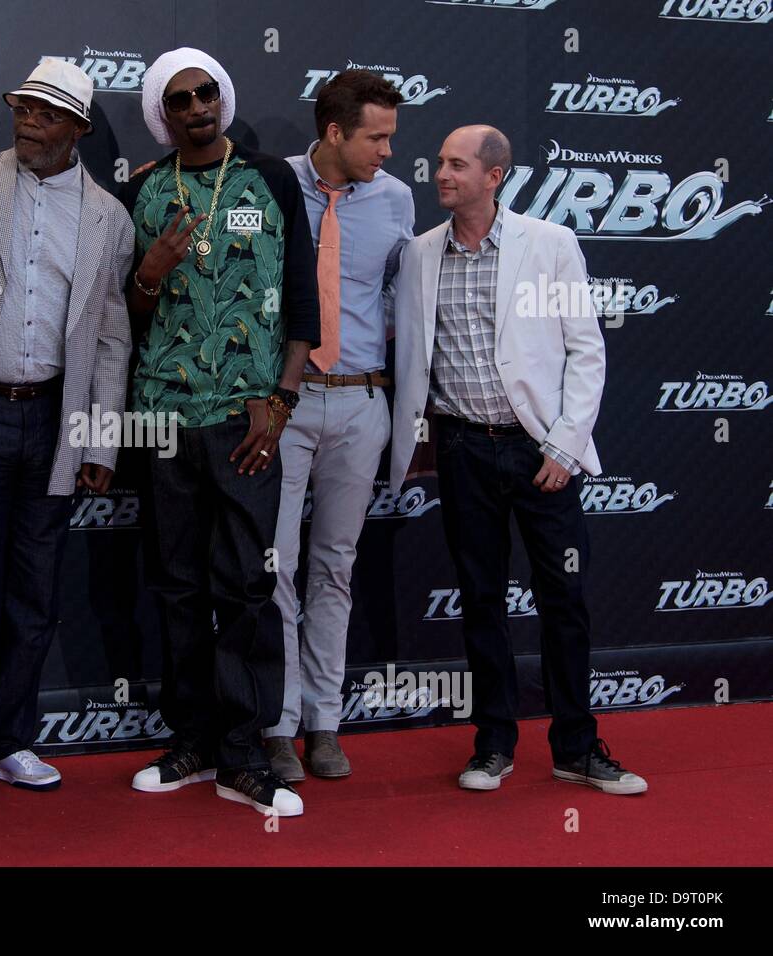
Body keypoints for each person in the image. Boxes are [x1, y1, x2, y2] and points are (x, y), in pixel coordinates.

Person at [389, 125, 647, 795]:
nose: (440, 174)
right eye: (440, 162)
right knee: (480, 600)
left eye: (456, 164)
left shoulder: (551, 244)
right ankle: (493, 744)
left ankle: (577, 748)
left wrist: (563, 444)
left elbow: (587, 351)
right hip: (463, 448)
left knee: (564, 598)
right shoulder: (418, 254)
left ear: (494, 176)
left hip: (540, 452)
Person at [0, 60, 134, 809]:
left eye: (46, 114)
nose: (29, 122)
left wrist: (100, 440)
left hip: (54, 420)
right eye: (24, 108)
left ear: (77, 128)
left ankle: (8, 740)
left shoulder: (109, 216)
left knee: (34, 593)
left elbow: (111, 337)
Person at [119, 48, 320, 817]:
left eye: (207, 93)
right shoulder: (141, 192)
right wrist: (151, 272)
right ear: (162, 116)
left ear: (222, 100)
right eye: (181, 100)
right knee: (176, 585)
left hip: (249, 417)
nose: (198, 107)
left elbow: (301, 300)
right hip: (165, 416)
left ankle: (245, 751)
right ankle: (194, 742)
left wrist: (284, 397)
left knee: (244, 585)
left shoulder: (271, 180)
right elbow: (124, 319)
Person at [263, 70, 414, 783]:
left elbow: (400, 302)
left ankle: (325, 724)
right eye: (376, 137)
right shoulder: (269, 183)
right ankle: (276, 723)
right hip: (283, 404)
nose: (388, 150)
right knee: (276, 569)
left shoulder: (397, 202)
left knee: (335, 568)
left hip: (360, 403)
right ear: (333, 132)